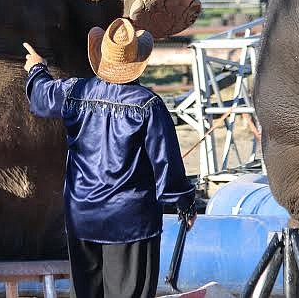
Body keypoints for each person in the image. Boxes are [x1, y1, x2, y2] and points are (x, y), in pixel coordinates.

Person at [23, 18, 196, 298]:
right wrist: (184, 202)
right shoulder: (148, 105)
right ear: (138, 61)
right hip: (130, 222)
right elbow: (166, 164)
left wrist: (36, 68)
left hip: (82, 217)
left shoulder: (75, 93)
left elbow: (41, 97)